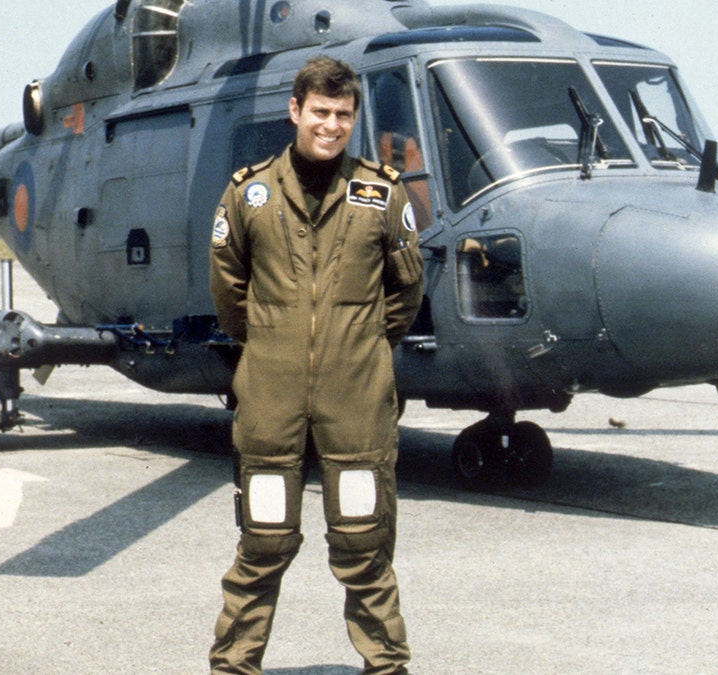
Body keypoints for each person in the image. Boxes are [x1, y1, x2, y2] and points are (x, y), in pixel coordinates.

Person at [208, 56, 424, 674]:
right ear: (296, 111)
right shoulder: (249, 192)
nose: (331, 126)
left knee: (364, 544)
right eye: (320, 113)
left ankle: (387, 665)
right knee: (264, 541)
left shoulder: (381, 192)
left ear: (353, 119)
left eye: (343, 115)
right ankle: (233, 667)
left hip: (356, 395)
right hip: (271, 394)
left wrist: (356, 345)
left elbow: (405, 291)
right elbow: (229, 288)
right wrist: (274, 343)